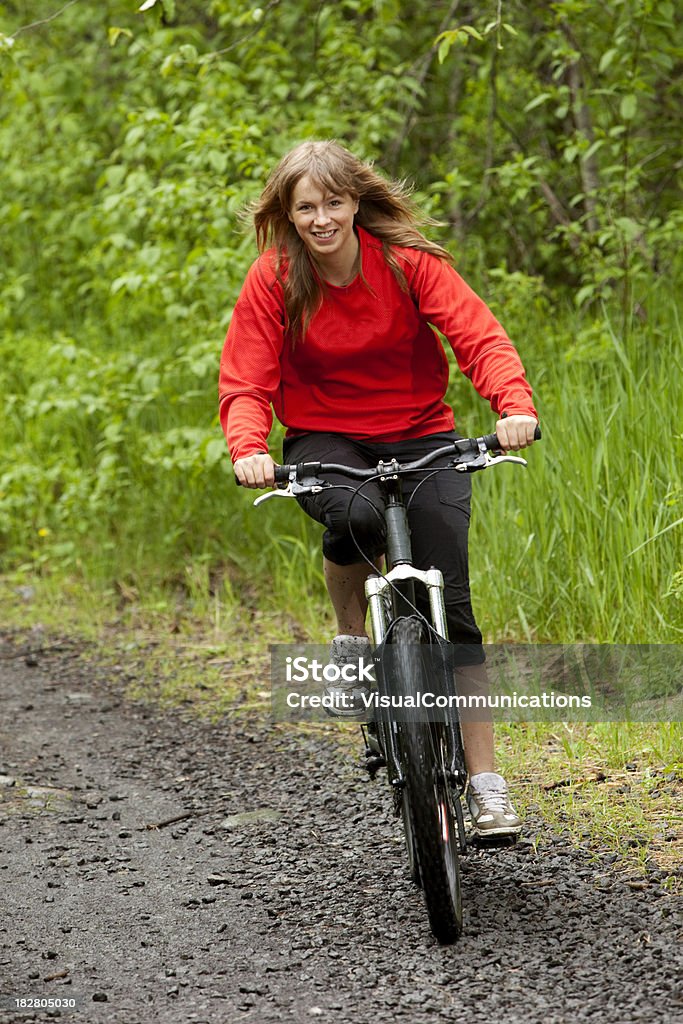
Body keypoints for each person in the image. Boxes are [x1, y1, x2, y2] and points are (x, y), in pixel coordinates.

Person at [219, 140, 538, 839]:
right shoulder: (274, 277)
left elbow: (477, 337)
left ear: (356, 201)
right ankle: (348, 640)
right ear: (288, 213)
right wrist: (248, 448)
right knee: (356, 517)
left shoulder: (407, 263)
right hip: (325, 438)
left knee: (452, 610)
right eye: (306, 207)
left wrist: (511, 406)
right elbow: (246, 378)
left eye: (332, 202)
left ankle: (486, 786)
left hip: (422, 433)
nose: (321, 218)